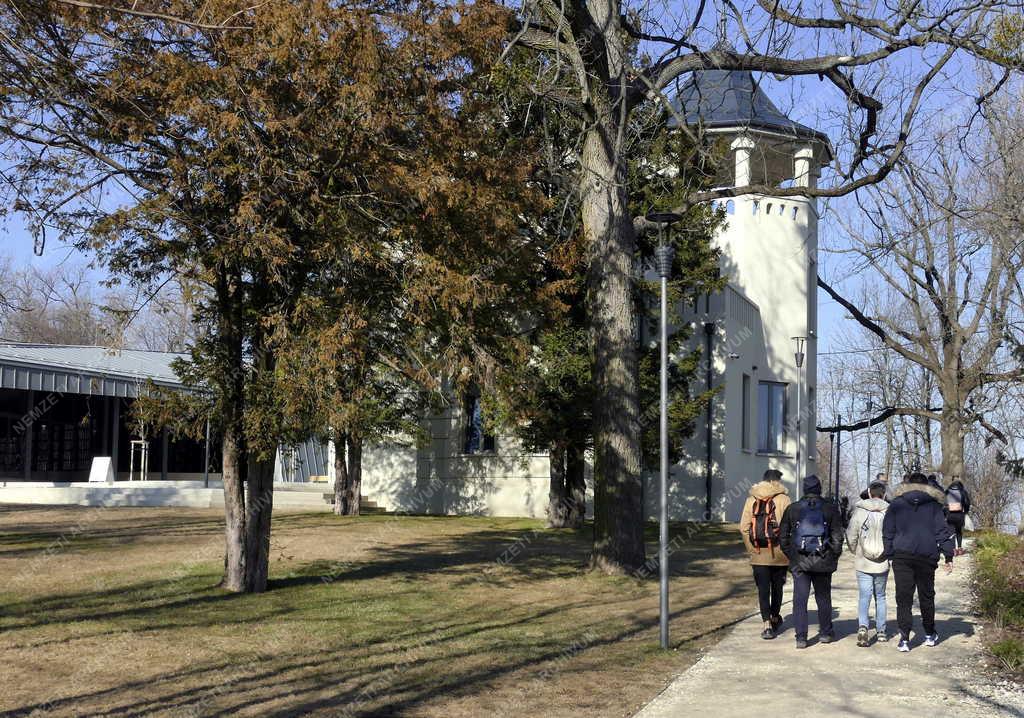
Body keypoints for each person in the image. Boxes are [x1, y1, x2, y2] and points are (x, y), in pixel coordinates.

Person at [882, 472, 955, 652]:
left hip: (902, 556)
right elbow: (942, 532)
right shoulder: (934, 506)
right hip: (926, 556)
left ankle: (905, 639)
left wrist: (890, 552)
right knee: (926, 596)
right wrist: (949, 555)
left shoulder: (896, 505)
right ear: (927, 486)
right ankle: (930, 634)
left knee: (904, 598)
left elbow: (888, 531)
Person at [779, 475, 844, 649]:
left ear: (804, 490)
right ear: (819, 488)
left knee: (800, 599)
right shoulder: (830, 509)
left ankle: (801, 637)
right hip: (823, 560)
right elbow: (837, 537)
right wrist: (833, 555)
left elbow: (783, 536)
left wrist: (792, 556)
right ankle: (825, 633)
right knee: (823, 598)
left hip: (800, 561)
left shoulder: (792, 509)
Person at [739, 469, 792, 640]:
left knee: (763, 589)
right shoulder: (784, 499)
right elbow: (790, 527)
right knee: (777, 588)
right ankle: (775, 616)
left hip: (758, 553)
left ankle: (766, 625)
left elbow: (743, 528)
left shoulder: (751, 499)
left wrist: (751, 549)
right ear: (777, 481)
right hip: (780, 554)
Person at [846, 481, 890, 646]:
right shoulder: (889, 511)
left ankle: (863, 627)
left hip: (863, 562)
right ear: (884, 494)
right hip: (882, 562)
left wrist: (854, 550)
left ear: (869, 494)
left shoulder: (859, 512)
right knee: (881, 596)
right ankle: (881, 632)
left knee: (864, 596)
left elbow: (851, 535)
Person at [945, 478, 972, 556]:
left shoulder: (947, 492)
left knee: (951, 532)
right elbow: (967, 502)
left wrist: (944, 513)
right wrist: (966, 511)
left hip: (949, 514)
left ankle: (953, 550)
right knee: (959, 531)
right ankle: (959, 548)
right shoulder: (963, 492)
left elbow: (942, 503)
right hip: (959, 514)